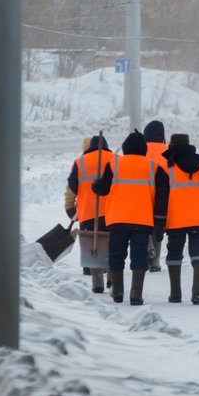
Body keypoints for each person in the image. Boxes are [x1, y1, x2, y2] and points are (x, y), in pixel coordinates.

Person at [92, 130, 168, 305]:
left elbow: (102, 189)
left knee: (116, 254)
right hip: (142, 221)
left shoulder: (114, 164)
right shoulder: (154, 167)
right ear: (144, 149)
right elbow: (163, 197)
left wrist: (96, 184)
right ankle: (136, 294)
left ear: (125, 147)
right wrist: (159, 223)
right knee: (139, 256)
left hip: (117, 219)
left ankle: (117, 292)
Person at [155, 133, 199, 305]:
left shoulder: (166, 167)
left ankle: (175, 294)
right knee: (198, 252)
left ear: (171, 146)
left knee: (174, 253)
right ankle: (198, 292)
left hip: (176, 220)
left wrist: (158, 223)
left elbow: (161, 198)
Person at [65, 135, 114, 293]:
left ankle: (97, 282)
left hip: (88, 212)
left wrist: (71, 207)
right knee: (113, 245)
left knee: (94, 246)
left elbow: (72, 186)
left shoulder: (80, 162)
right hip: (112, 211)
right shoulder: (116, 160)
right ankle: (113, 278)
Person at [143, 120, 169, 273]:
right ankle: (155, 262)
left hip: (144, 195)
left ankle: (148, 247)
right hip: (164, 196)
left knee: (145, 227)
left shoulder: (142, 150)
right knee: (159, 227)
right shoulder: (169, 151)